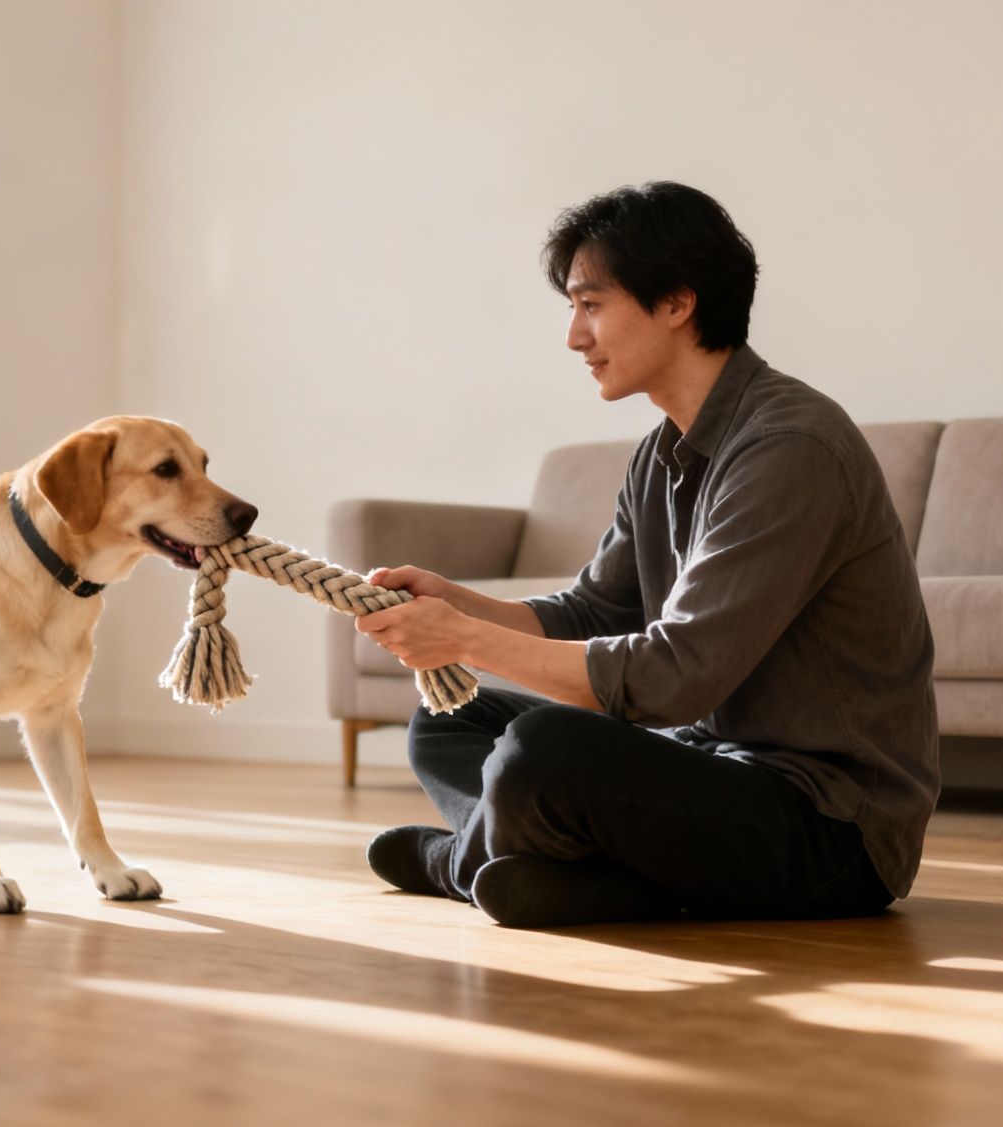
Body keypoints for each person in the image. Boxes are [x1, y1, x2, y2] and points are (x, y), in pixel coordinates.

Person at [354, 181, 939, 929]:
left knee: (543, 749)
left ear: (676, 304)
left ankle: (460, 861)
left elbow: (674, 678)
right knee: (448, 718)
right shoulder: (659, 454)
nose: (574, 336)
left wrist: (464, 640)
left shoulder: (790, 448)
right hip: (707, 782)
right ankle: (582, 878)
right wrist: (459, 603)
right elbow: (592, 611)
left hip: (830, 829)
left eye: (591, 305)